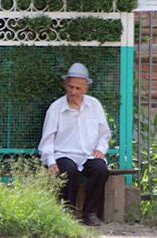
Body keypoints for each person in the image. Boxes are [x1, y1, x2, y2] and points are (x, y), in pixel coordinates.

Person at [38, 63, 111, 226]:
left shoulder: (95, 105)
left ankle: (90, 213)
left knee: (100, 169)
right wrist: (50, 161)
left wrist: (100, 149)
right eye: (71, 87)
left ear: (85, 88)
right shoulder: (55, 108)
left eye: (78, 88)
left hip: (88, 155)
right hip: (63, 154)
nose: (73, 92)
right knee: (67, 170)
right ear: (65, 86)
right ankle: (67, 213)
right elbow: (47, 139)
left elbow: (104, 134)